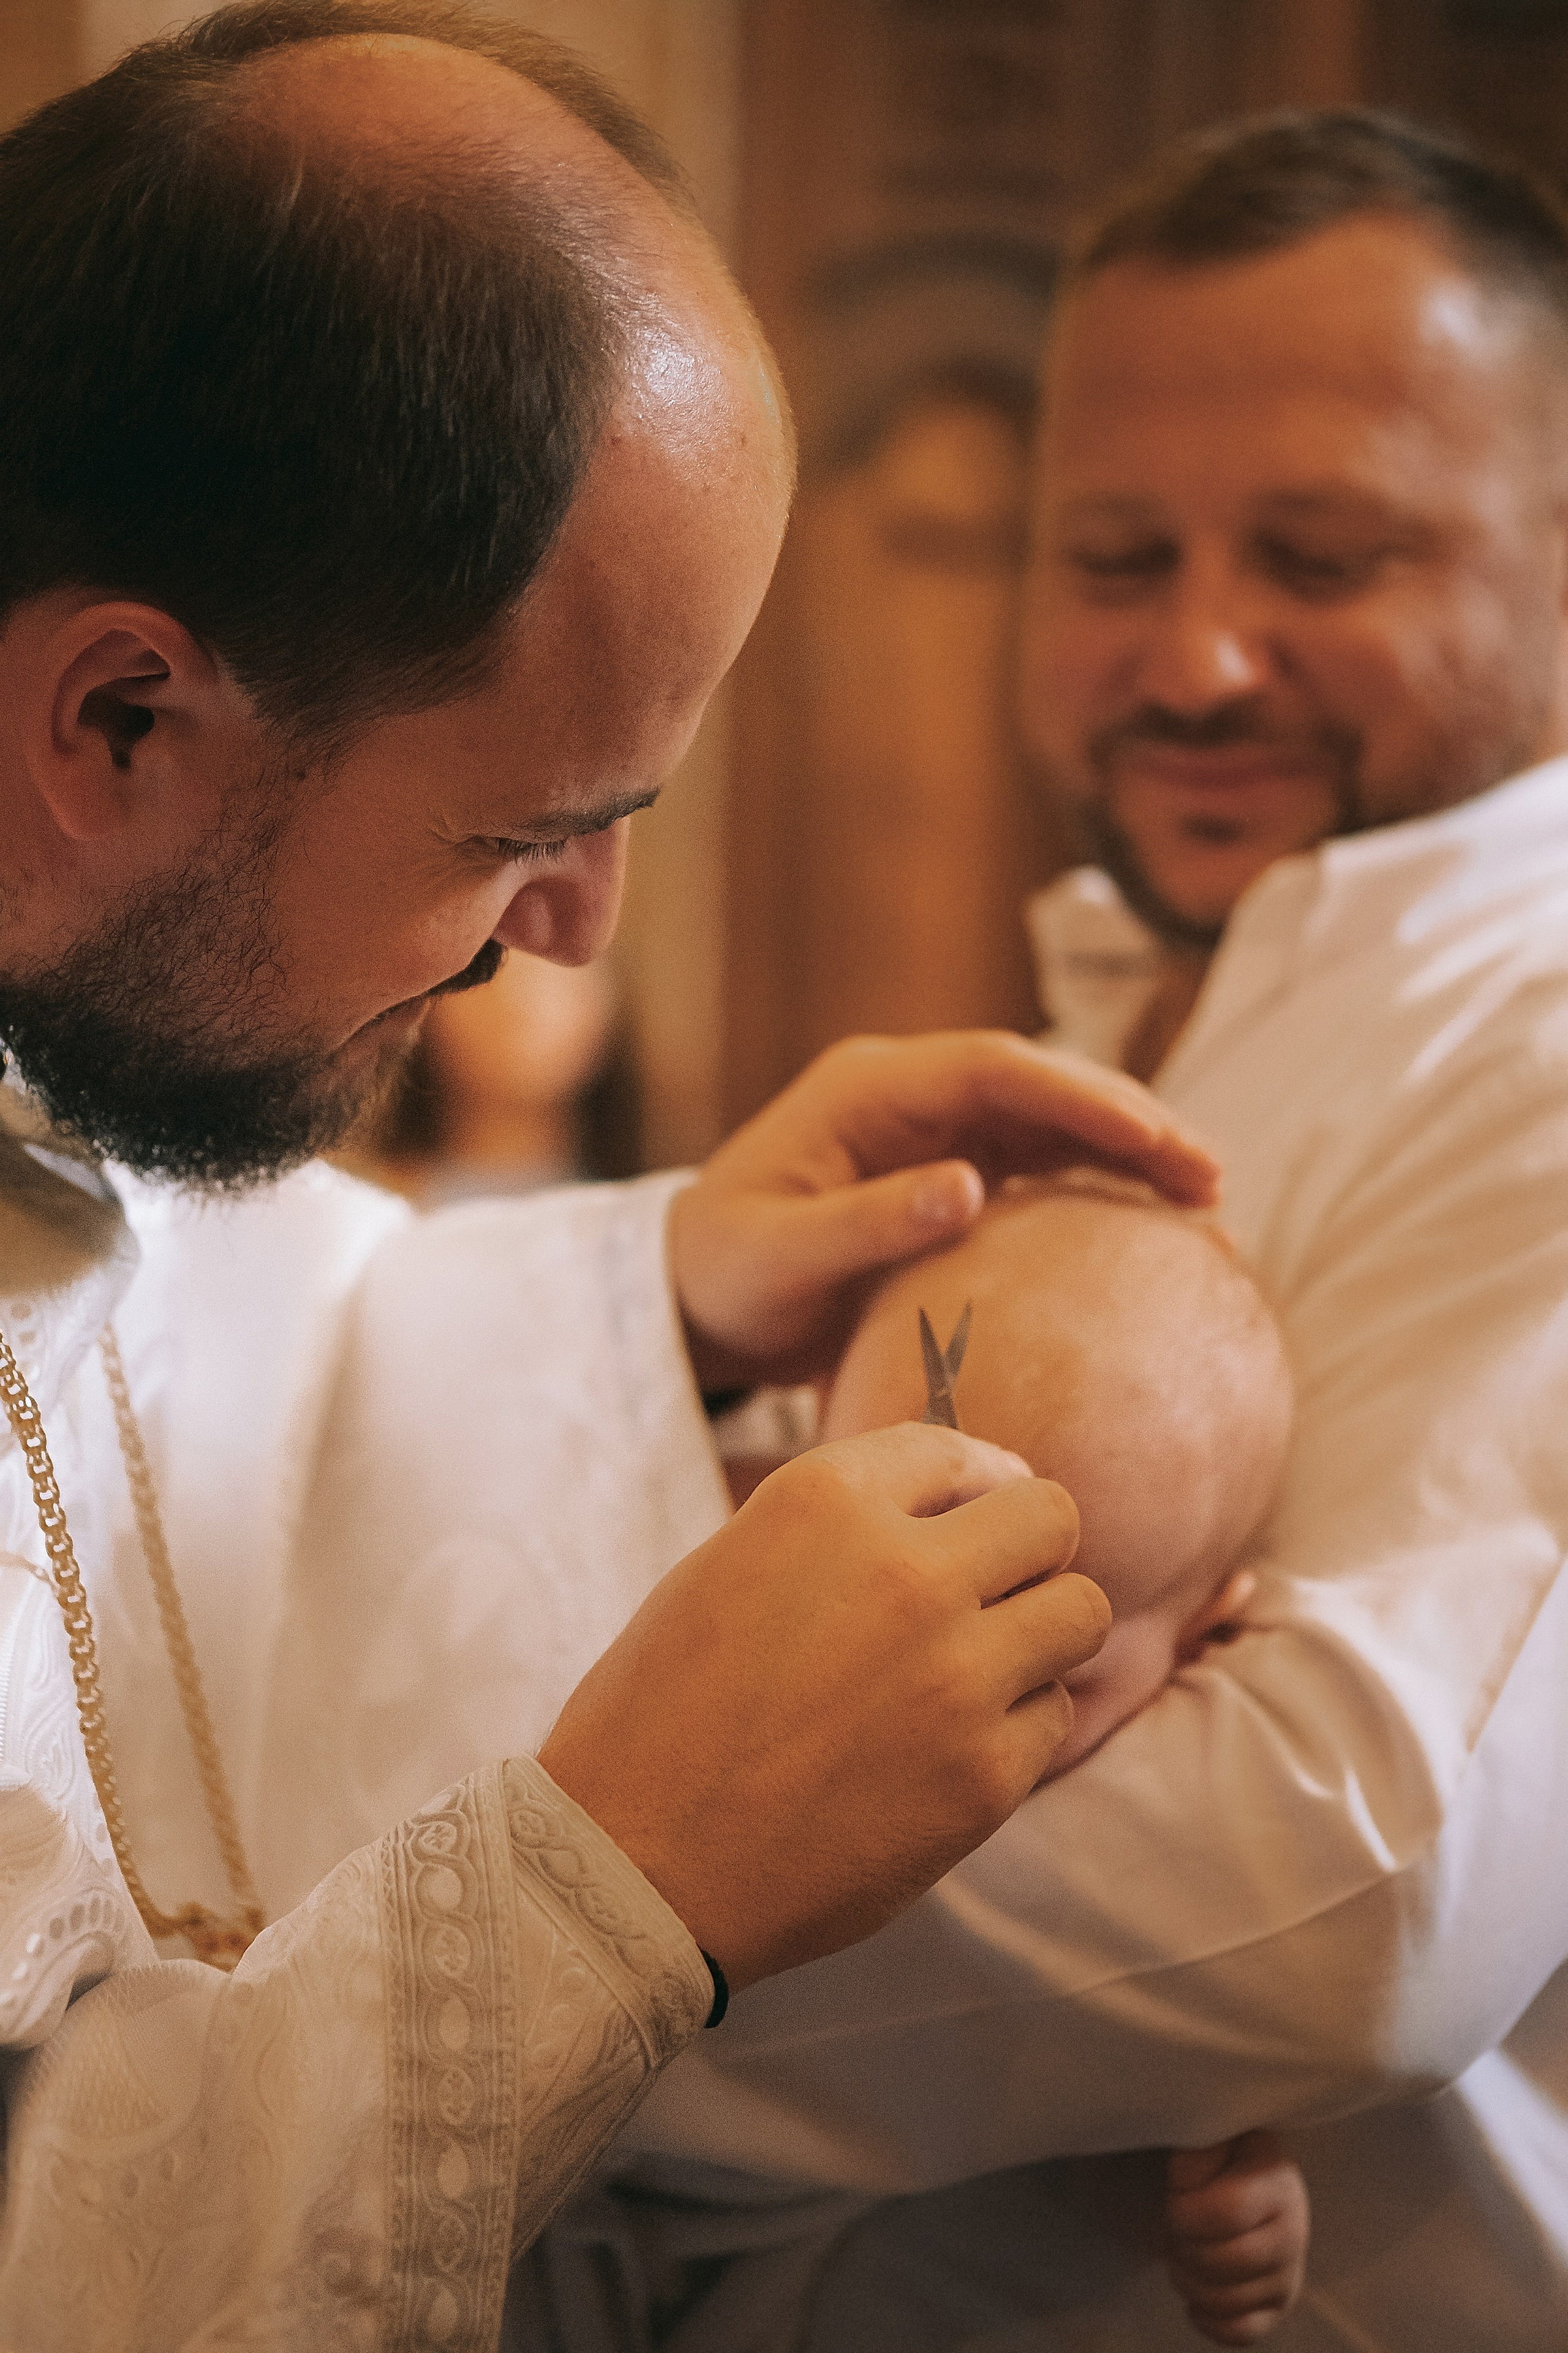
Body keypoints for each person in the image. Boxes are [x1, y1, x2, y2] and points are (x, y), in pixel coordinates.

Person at [0, 7, 1254, 2343]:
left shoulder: (79, 1015)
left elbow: (160, 1333)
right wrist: (612, 1886)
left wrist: (643, 1300)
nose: (575, 932)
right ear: (120, 719)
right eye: (526, 831)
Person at [310, 110, 1568, 2348]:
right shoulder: (1139, 1002)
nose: (1197, 659)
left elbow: (1350, 1879)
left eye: (1323, 553)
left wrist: (438, 2005)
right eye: (1110, 556)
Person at [766, 1171, 1311, 2346]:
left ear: (1206, 1634)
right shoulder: (705, 1579)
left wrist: (1220, 2195)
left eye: (1043, 1663)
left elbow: (1113, 2092)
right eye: (878, 1591)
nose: (922, 1692)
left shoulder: (1165, 1868)